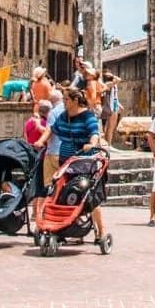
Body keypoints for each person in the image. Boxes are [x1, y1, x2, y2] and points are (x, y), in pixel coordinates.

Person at [48, 80, 108, 243]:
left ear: (75, 100)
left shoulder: (87, 116)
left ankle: (101, 231)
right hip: (66, 162)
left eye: (66, 99)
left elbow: (94, 133)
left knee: (90, 197)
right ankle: (70, 228)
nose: (64, 102)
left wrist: (92, 144)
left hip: (85, 163)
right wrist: (41, 142)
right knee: (65, 194)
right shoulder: (63, 116)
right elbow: (52, 130)